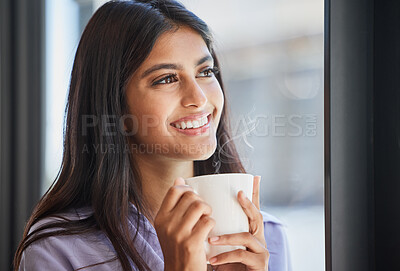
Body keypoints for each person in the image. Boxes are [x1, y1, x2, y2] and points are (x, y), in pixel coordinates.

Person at [14, 1, 292, 270]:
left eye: (205, 72)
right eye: (166, 79)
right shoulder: (59, 250)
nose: (199, 98)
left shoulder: (268, 239)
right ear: (115, 109)